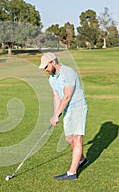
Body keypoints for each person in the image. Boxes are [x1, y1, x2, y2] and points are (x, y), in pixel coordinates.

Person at [39, 52, 88, 180]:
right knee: (69, 139)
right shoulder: (51, 79)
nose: (45, 69)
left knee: (77, 139)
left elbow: (66, 97)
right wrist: (55, 114)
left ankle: (72, 173)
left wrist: (57, 115)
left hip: (77, 107)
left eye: (46, 66)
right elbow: (57, 97)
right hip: (67, 110)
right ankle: (82, 159)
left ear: (53, 62)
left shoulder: (68, 72)